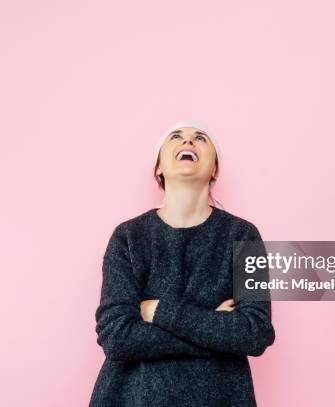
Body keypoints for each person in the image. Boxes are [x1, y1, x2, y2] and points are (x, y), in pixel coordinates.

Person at [89, 120, 275, 406]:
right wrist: (213, 329)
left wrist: (158, 310)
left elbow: (255, 332)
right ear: (158, 168)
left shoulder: (243, 236)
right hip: (132, 397)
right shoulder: (127, 236)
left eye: (200, 138)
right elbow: (116, 337)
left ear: (214, 169)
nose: (188, 141)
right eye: (175, 136)